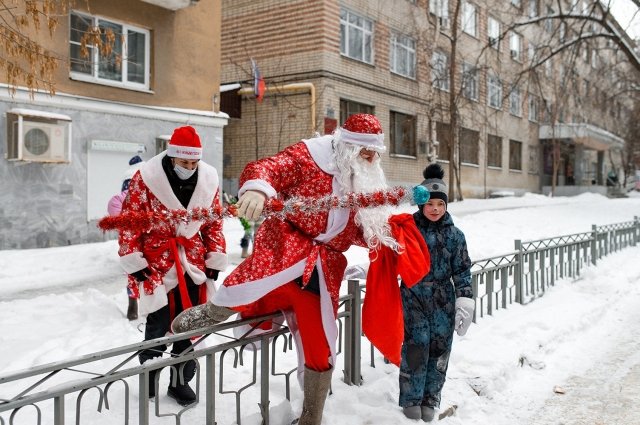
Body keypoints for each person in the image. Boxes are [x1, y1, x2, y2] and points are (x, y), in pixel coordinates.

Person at [172, 114, 428, 425]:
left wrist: (392, 234)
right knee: (252, 286)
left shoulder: (363, 179)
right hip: (285, 249)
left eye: (376, 153)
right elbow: (267, 168)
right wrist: (257, 190)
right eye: (366, 152)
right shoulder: (309, 156)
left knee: (321, 347)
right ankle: (214, 311)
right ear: (348, 146)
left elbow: (359, 228)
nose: (372, 159)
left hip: (323, 271)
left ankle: (311, 415)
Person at [117, 125, 227, 406]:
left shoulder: (209, 180)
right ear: (172, 157)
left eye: (194, 162)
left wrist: (215, 256)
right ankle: (149, 379)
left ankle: (180, 382)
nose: (189, 167)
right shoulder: (147, 178)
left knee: (188, 327)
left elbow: (213, 223)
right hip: (157, 265)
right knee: (158, 325)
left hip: (192, 263)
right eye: (184, 162)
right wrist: (134, 261)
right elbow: (130, 221)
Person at [399, 163, 474, 422]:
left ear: (446, 206)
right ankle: (411, 398)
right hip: (414, 296)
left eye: (440, 205)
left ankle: (431, 399)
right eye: (430, 204)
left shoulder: (455, 236)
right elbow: (391, 256)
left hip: (444, 299)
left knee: (440, 349)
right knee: (416, 346)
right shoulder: (409, 230)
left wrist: (466, 299)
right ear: (422, 205)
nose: (435, 209)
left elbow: (462, 270)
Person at [107, 155, 145, 321]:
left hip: (130, 235)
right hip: (146, 233)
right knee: (150, 268)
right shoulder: (144, 183)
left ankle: (133, 303)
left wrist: (123, 223)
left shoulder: (125, 189)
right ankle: (145, 302)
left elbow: (115, 204)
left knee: (133, 268)